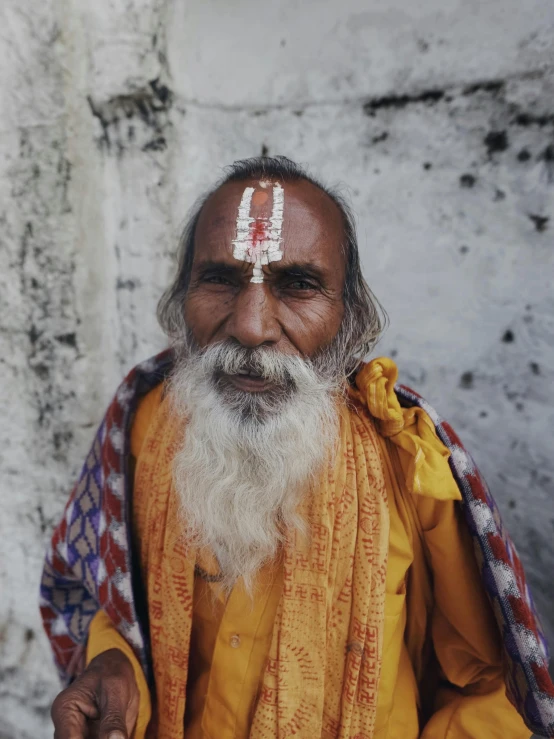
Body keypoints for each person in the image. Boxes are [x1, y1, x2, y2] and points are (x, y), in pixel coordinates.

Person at [42, 157, 554, 739]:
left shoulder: (409, 463)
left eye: (299, 284)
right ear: (180, 300)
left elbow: (489, 685)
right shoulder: (142, 426)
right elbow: (107, 594)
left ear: (351, 318)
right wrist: (114, 662)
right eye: (220, 279)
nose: (252, 325)